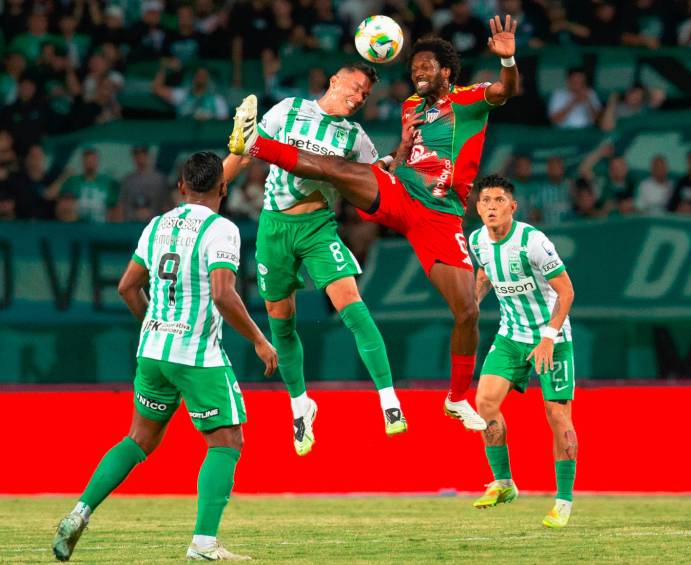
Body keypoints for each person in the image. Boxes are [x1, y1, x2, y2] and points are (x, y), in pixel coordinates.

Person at [228, 16, 521, 431]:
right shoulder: (410, 107)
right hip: (397, 194)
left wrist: (507, 62)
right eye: (413, 66)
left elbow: (506, 90)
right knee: (335, 169)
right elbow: (396, 163)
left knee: (468, 311)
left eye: (426, 66)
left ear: (447, 72)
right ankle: (255, 141)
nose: (417, 72)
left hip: (439, 216)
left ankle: (456, 399)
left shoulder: (470, 100)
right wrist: (400, 148)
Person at [52, 152, 278, 562]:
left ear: (180, 187)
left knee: (138, 439)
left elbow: (126, 287)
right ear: (223, 189)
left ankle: (79, 512)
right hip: (196, 355)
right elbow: (224, 294)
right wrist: (260, 341)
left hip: (152, 352)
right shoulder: (222, 229)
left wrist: (152, 324)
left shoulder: (156, 225)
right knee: (227, 441)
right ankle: (204, 544)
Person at [223, 62, 408, 456]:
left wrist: (401, 158)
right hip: (274, 229)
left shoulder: (355, 137)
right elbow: (244, 153)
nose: (359, 98)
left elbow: (375, 176)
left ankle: (389, 401)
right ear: (334, 81)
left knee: (353, 308)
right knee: (282, 324)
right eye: (356, 87)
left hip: (319, 228)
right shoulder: (287, 110)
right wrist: (212, 192)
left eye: (365, 95)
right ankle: (300, 405)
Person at [467, 174, 577, 529]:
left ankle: (563, 502)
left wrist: (548, 335)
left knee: (558, 418)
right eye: (485, 200)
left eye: (499, 200)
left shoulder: (534, 241)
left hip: (552, 340)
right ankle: (504, 482)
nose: (491, 207)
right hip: (510, 336)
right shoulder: (477, 241)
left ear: (513, 207)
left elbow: (566, 292)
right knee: (484, 403)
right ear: (478, 207)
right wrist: (470, 306)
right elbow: (485, 275)